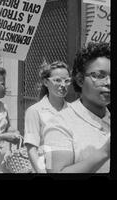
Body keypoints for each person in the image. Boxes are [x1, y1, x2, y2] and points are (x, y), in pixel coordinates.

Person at [44, 42, 110, 173]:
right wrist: (105, 152)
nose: (108, 82)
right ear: (80, 80)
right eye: (100, 76)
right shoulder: (58, 123)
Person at [24, 61, 70, 173]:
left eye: (67, 81)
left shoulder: (73, 110)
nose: (63, 85)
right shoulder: (35, 111)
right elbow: (31, 148)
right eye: (57, 80)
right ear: (46, 82)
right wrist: (41, 171)